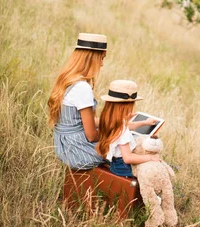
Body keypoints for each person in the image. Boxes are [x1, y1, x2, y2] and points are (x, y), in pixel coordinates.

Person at [48, 32, 108, 170]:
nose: (102, 64)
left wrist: (114, 121)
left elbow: (79, 121)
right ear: (91, 58)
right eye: (101, 58)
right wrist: (114, 133)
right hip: (79, 151)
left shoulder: (69, 80)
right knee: (126, 146)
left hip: (65, 146)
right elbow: (92, 135)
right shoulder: (82, 88)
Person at [96, 79, 160, 177]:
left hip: (116, 165)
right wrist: (150, 157)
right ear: (127, 106)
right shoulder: (122, 129)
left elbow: (126, 127)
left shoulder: (108, 119)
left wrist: (145, 122)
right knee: (155, 169)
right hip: (123, 167)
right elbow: (128, 158)